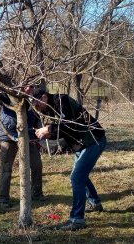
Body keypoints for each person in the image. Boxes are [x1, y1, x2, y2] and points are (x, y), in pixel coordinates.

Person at [32, 89, 106, 231]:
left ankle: (77, 219)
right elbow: (63, 131)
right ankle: (95, 202)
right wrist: (49, 134)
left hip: (93, 140)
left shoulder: (61, 100)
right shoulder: (51, 108)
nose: (37, 108)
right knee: (80, 175)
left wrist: (49, 128)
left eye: (37, 104)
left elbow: (70, 125)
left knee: (76, 178)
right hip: (81, 144)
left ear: (44, 97)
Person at [0, 85, 45, 209]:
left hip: (28, 135)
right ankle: (3, 199)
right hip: (8, 135)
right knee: (6, 169)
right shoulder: (9, 94)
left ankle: (37, 194)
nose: (28, 89)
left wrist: (38, 128)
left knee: (37, 165)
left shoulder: (33, 97)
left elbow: (36, 114)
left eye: (31, 86)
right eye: (26, 86)